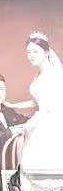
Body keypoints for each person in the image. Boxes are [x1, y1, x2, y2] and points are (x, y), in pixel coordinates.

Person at [6, 32, 63, 169]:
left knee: (41, 161)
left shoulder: (52, 75)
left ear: (47, 52)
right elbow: (37, 101)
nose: (31, 55)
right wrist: (14, 105)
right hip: (44, 117)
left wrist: (28, 126)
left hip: (51, 122)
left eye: (35, 51)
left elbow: (46, 108)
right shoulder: (40, 74)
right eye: (29, 52)